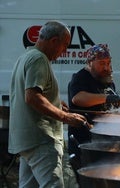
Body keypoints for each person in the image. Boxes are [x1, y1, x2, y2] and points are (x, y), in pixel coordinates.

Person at [8, 21, 89, 188]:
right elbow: (32, 97)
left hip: (26, 140)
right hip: (41, 139)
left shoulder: (25, 57)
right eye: (65, 45)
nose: (65, 51)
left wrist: (56, 104)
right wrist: (65, 117)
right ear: (53, 41)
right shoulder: (39, 59)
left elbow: (33, 93)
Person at [68, 44, 120, 161]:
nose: (106, 67)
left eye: (108, 63)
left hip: (104, 139)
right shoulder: (81, 77)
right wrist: (106, 98)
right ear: (90, 62)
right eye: (102, 63)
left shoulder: (107, 80)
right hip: (85, 141)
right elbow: (77, 98)